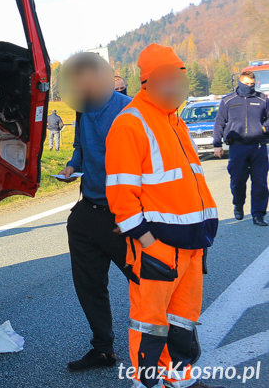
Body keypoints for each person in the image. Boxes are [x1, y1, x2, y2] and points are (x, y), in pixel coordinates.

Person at [106, 44, 221, 388]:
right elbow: (120, 192)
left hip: (192, 243)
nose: (177, 87)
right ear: (147, 83)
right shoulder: (131, 123)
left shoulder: (174, 120)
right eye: (169, 79)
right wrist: (146, 240)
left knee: (183, 319)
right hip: (158, 245)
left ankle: (180, 377)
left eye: (180, 78)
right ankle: (148, 383)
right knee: (151, 323)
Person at [56, 52, 132, 371]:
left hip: (125, 214)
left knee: (150, 282)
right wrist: (73, 165)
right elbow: (80, 149)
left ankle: (177, 350)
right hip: (89, 209)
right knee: (89, 284)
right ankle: (103, 349)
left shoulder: (130, 109)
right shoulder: (83, 110)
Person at [212, 69, 269, 226]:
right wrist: (217, 144)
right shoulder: (228, 100)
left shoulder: (262, 99)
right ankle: (238, 204)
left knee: (260, 182)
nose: (249, 87)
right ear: (239, 83)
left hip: (258, 147)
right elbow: (219, 122)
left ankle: (258, 214)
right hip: (237, 147)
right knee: (237, 180)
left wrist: (264, 128)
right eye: (246, 84)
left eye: (252, 84)